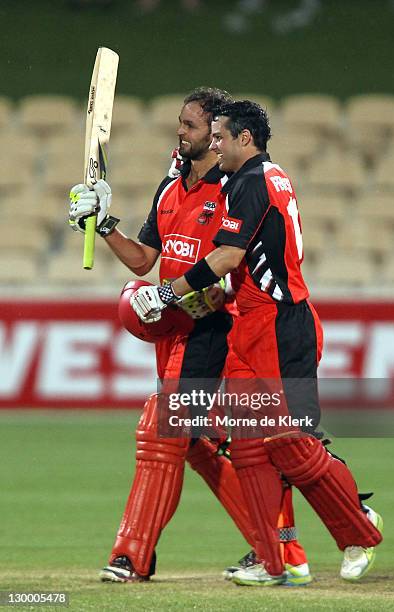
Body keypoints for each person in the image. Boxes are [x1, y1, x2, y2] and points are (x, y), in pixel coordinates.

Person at [131, 99, 384, 585]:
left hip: (282, 324)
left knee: (290, 444)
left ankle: (357, 528)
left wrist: (166, 293)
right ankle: (276, 562)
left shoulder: (250, 182)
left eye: (221, 137)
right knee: (248, 447)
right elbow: (227, 258)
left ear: (245, 139)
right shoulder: (258, 178)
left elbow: (225, 256)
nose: (216, 145)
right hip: (249, 322)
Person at [68, 88, 309, 583]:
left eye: (192, 126)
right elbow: (144, 260)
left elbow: (227, 273)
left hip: (217, 330)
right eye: (181, 123)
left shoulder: (233, 187)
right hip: (173, 332)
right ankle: (281, 550)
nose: (182, 132)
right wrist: (102, 223)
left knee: (162, 428)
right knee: (202, 442)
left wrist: (182, 295)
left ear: (215, 138)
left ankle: (131, 556)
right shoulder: (169, 188)